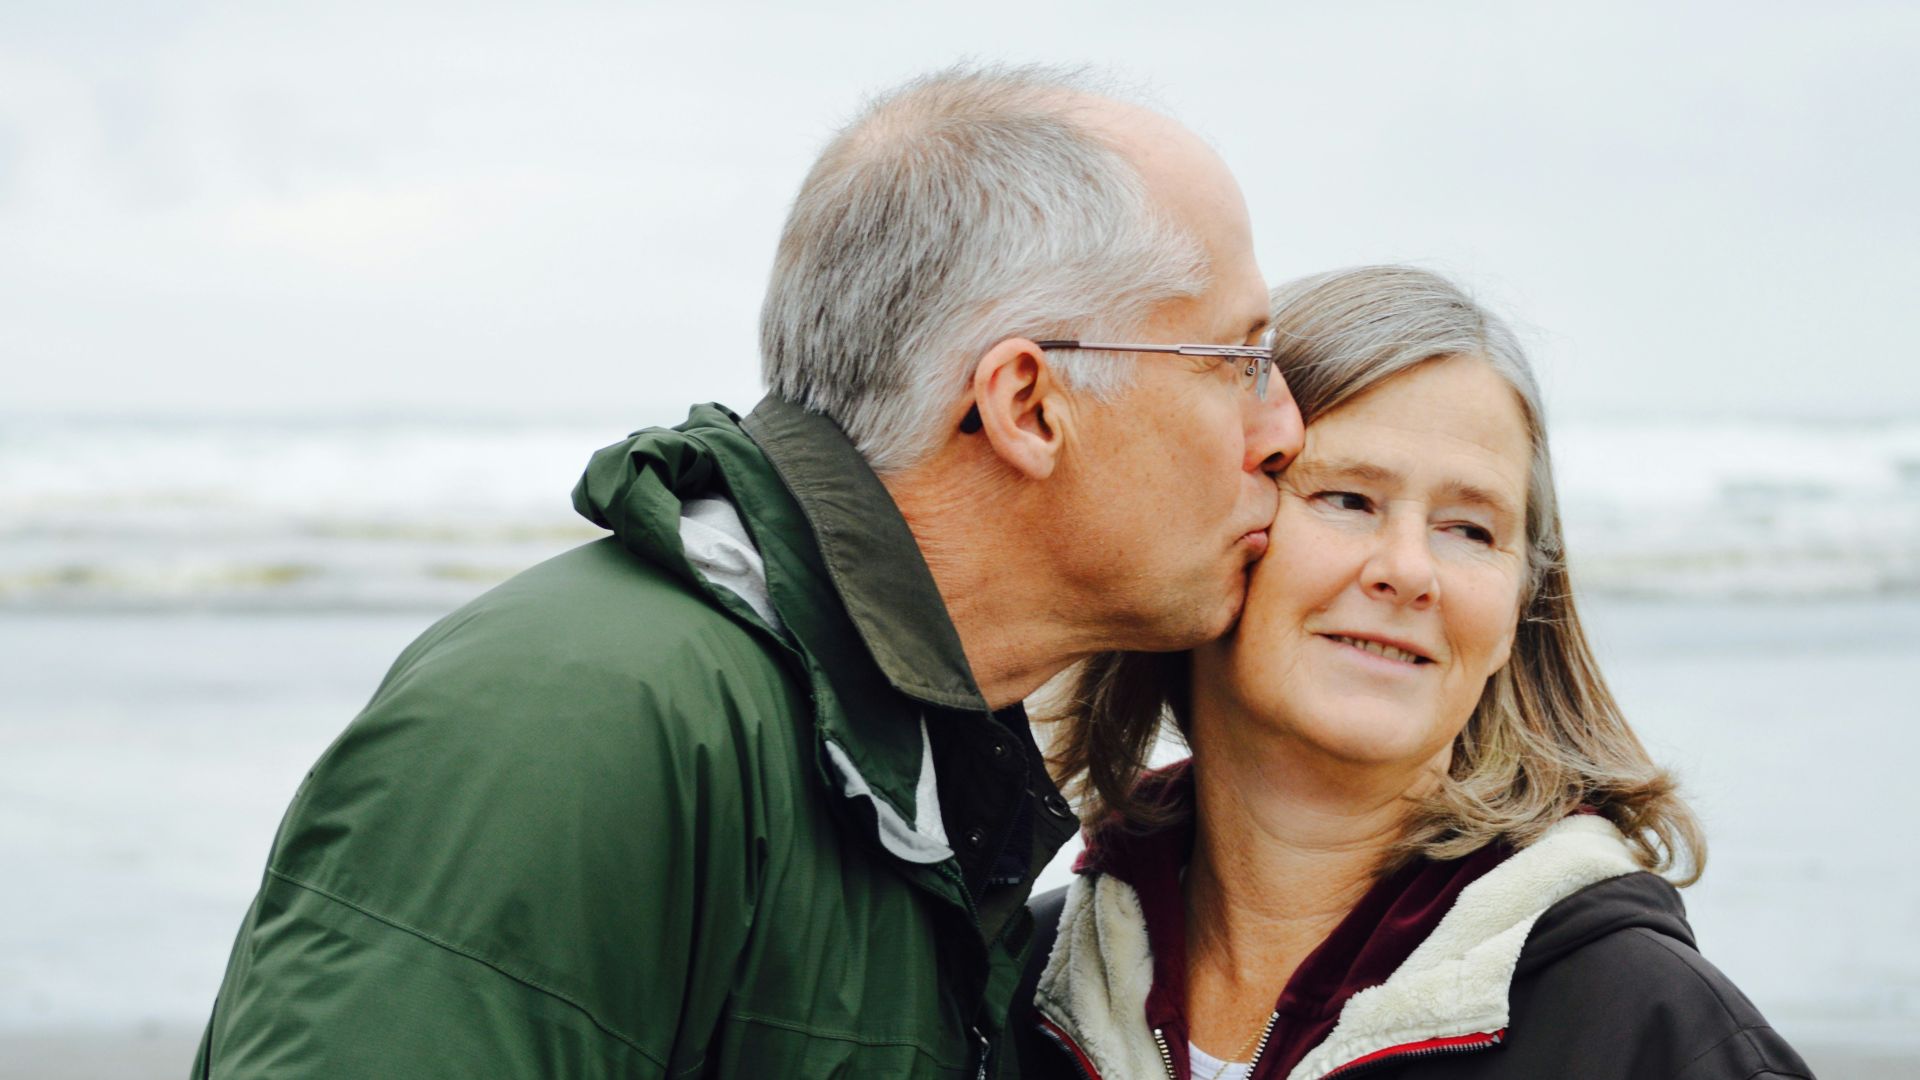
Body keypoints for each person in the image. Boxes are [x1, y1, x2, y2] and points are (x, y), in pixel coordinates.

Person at [190, 64, 1304, 1079]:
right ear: (1027, 405)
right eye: (1240, 360)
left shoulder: (914, 761)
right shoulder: (582, 722)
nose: (1285, 430)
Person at [1018, 266, 1811, 1080]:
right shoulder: (1014, 991)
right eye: (1348, 499)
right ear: (1211, 529)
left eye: (1469, 529)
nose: (1408, 570)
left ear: (1518, 611)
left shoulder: (1656, 1031)